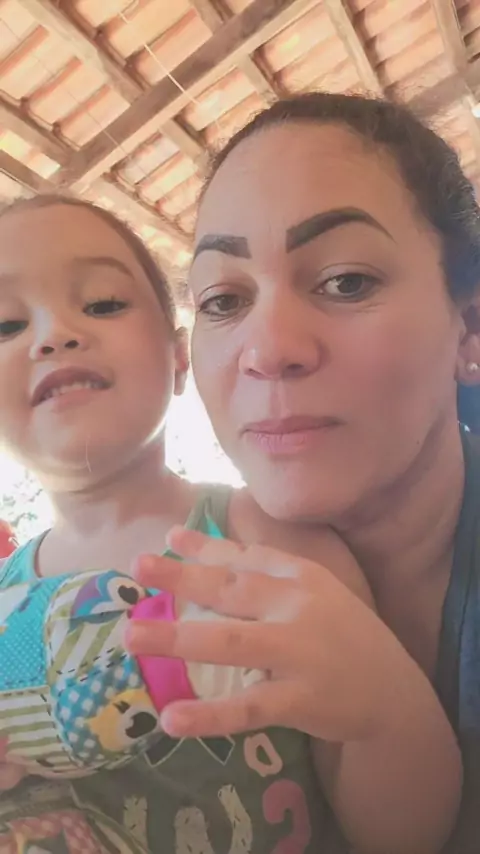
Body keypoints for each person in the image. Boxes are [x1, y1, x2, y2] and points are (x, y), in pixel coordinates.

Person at [0, 193, 459, 854]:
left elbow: (403, 832)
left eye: (102, 303)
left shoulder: (267, 539)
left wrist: (383, 706)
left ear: (178, 358)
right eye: (6, 325)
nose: (54, 335)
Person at [127, 91, 480, 854]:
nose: (268, 349)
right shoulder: (160, 597)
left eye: (346, 281)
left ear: (470, 329)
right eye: (224, 299)